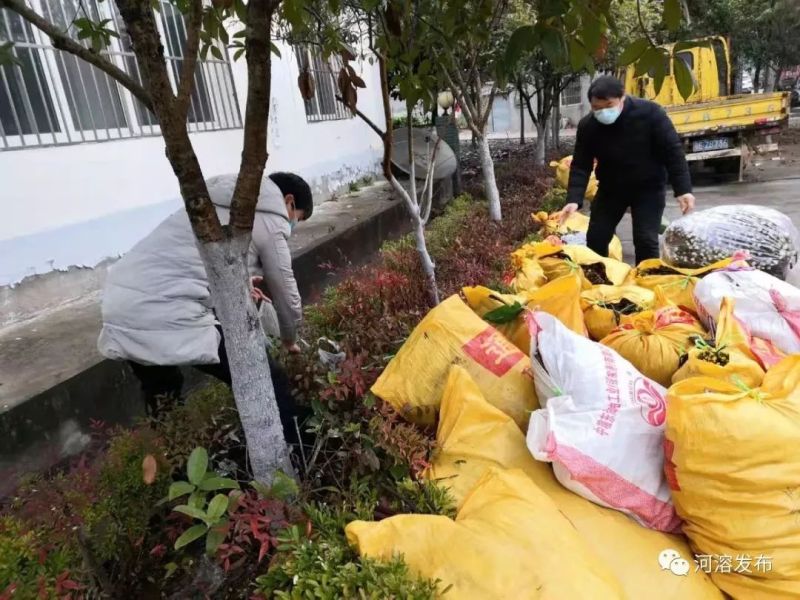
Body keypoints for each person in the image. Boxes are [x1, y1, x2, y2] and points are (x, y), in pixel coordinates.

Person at [97, 172, 313, 439]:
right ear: (289, 202)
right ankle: (299, 442)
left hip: (120, 304)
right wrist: (290, 339)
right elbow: (285, 291)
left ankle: (173, 455)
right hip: (164, 308)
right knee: (261, 372)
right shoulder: (272, 218)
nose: (293, 225)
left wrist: (242, 284)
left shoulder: (212, 201)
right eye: (298, 218)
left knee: (163, 389)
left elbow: (199, 257)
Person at [555, 75, 696, 264]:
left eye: (609, 105)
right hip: (611, 189)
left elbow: (673, 152)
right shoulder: (588, 126)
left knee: (645, 240)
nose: (603, 112)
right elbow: (581, 164)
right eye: (597, 108)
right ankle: (598, 277)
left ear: (622, 97)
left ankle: (646, 278)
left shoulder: (650, 113)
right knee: (596, 237)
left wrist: (683, 189)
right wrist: (574, 199)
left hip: (648, 188)